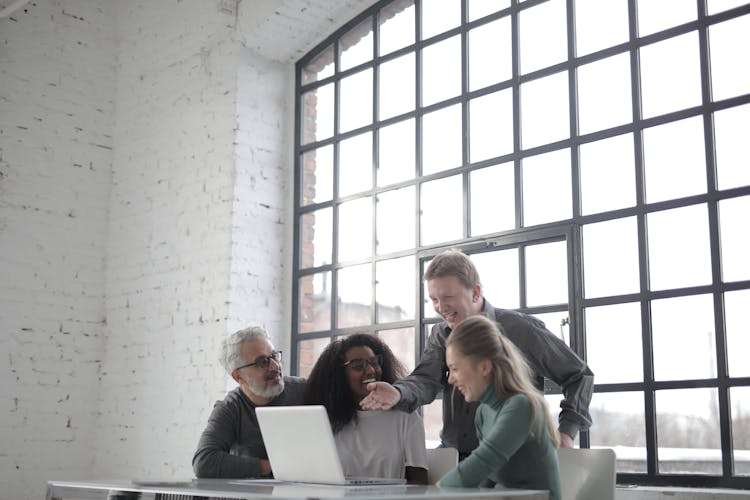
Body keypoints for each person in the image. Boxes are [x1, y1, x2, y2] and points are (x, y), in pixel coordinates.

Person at [360, 249, 593, 457]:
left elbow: (579, 375)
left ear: (476, 292)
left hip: (515, 460)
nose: (441, 308)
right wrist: (398, 393)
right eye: (433, 299)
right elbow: (425, 380)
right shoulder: (441, 334)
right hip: (454, 457)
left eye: (448, 297)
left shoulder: (521, 329)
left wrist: (567, 432)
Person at [438, 315, 561, 499]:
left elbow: (484, 461)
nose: (450, 379)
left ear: (485, 367)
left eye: (455, 369)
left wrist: (436, 490)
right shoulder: (482, 412)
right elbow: (487, 479)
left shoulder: (521, 406)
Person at [304, 333, 428, 484]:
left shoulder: (406, 417)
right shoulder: (323, 419)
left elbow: (419, 484)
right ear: (338, 376)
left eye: (374, 362)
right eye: (358, 366)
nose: (370, 371)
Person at [192, 326, 306, 478]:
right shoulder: (230, 407)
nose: (275, 366)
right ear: (238, 376)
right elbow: (204, 462)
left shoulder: (306, 390)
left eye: (274, 356)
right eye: (262, 362)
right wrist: (274, 466)